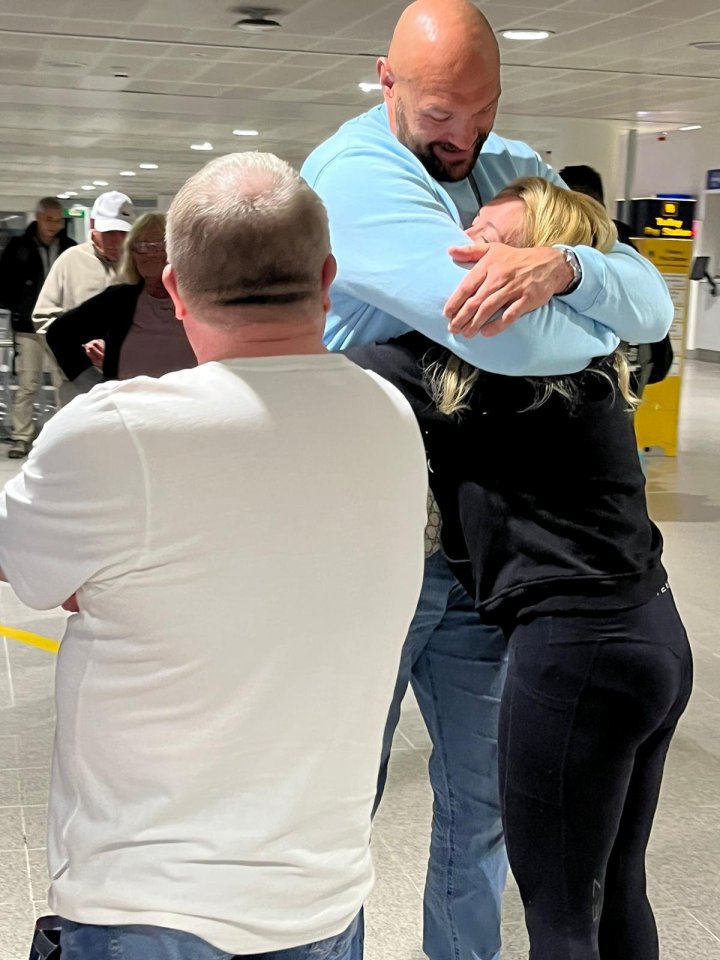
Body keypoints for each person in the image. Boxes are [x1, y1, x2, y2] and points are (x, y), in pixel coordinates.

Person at [301, 2, 673, 958]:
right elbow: (501, 342)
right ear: (385, 82)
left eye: (484, 108)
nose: (467, 138)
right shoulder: (356, 174)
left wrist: (567, 267)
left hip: (482, 557)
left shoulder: (508, 164)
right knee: (338, 806)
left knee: (487, 810)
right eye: (439, 115)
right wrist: (578, 290)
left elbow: (649, 302)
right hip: (372, 540)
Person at [0, 152, 429, 960]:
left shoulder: (117, 434)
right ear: (328, 275)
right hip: (324, 904)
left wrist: (104, 569)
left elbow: (19, 561)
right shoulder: (390, 416)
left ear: (172, 286)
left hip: (146, 908)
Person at [347, 175, 692, 960]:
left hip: (575, 654)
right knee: (615, 886)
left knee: (560, 917)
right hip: (656, 636)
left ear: (541, 258)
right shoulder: (598, 352)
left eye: (492, 240)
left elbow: (334, 368)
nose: (467, 251)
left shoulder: (458, 369)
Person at [559, 163, 674, 395]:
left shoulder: (562, 254)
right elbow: (660, 358)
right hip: (620, 389)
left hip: (589, 388)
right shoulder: (627, 254)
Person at [47, 213, 196, 391]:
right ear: (131, 253)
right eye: (141, 246)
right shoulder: (120, 300)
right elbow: (59, 334)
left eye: (160, 245)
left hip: (184, 412)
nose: (151, 253)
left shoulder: (201, 301)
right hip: (127, 413)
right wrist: (95, 387)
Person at [32, 190, 134, 405]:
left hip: (127, 379)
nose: (117, 240)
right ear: (93, 226)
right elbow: (43, 318)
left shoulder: (138, 266)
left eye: (123, 232)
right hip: (76, 382)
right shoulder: (71, 260)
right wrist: (78, 356)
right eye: (109, 231)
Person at [0, 197, 75, 458]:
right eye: (49, 219)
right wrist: (19, 308)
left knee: (63, 383)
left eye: (58, 220)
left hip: (59, 326)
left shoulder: (69, 247)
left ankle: (64, 436)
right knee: (27, 383)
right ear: (39, 217)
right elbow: (5, 281)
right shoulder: (19, 246)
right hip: (27, 326)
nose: (54, 225)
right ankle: (21, 436)